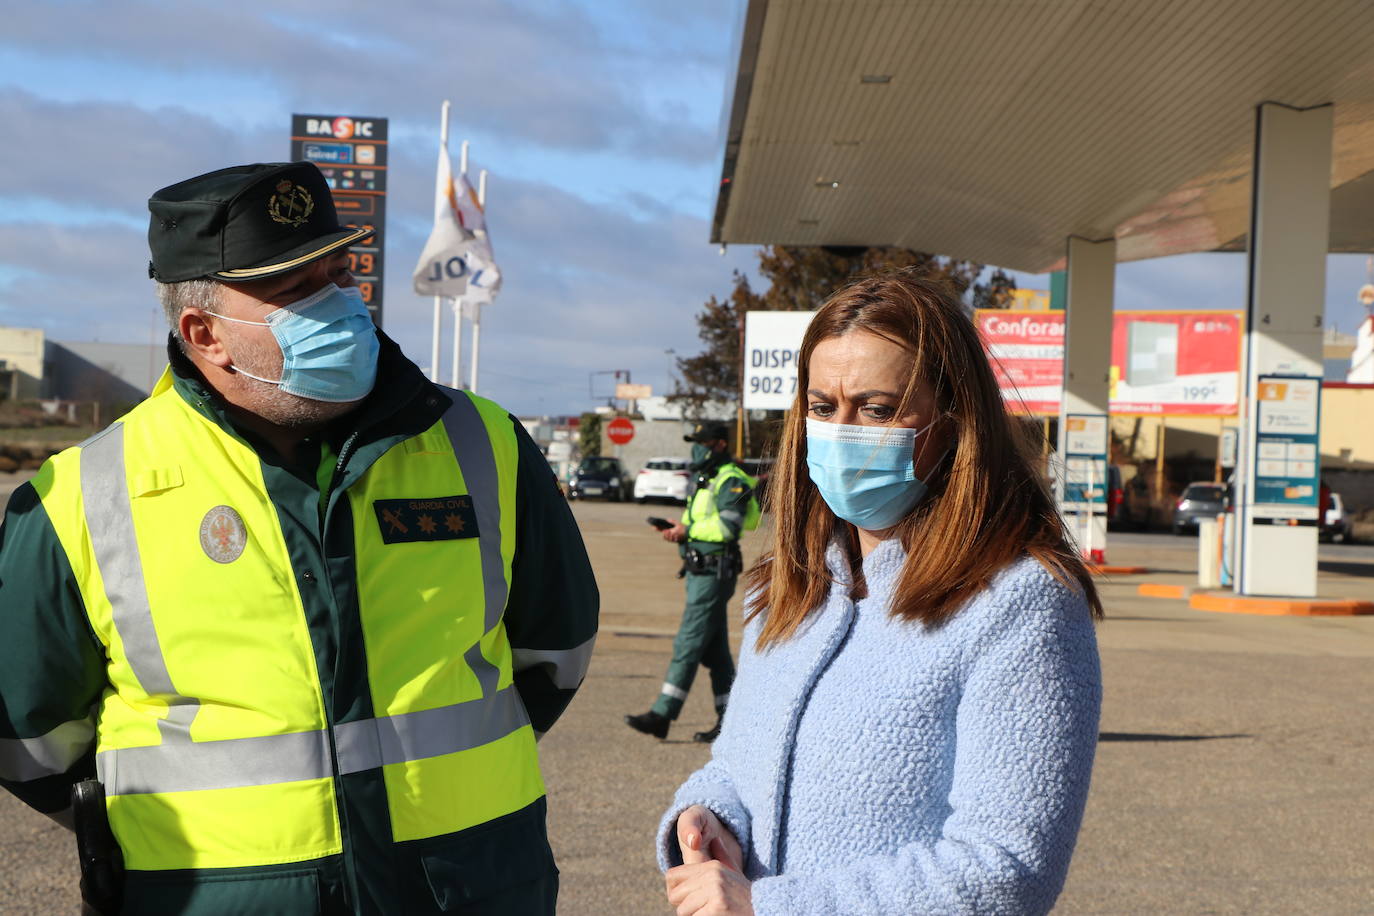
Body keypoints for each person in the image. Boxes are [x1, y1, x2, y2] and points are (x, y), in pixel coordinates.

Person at [0, 161, 599, 915]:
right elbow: (31, 739)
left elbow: (557, 654)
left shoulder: (484, 443)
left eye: (339, 273)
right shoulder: (78, 497)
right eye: (294, 291)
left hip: (467, 886)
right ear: (203, 333)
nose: (339, 304)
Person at [656, 271, 1103, 915]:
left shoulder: (1022, 603)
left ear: (951, 423)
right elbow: (733, 764)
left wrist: (770, 906)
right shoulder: (792, 584)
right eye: (821, 406)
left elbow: (1006, 867)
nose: (841, 430)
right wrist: (705, 817)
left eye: (878, 408)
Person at [625, 421, 758, 743]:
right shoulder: (708, 478)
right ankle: (730, 721)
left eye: (704, 443)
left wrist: (689, 532)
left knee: (688, 642)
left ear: (720, 445)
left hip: (713, 573)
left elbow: (729, 528)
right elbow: (699, 522)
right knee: (716, 653)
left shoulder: (731, 480)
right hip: (699, 571)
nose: (698, 449)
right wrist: (678, 528)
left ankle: (663, 714)